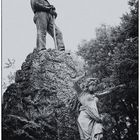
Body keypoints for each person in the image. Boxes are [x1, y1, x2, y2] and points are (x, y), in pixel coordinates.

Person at [72, 74, 124, 140]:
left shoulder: (95, 95)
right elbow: (74, 82)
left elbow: (107, 91)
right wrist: (82, 75)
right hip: (85, 117)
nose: (94, 87)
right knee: (88, 138)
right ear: (88, 86)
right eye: (92, 85)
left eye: (95, 85)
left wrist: (118, 87)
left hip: (95, 118)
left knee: (98, 134)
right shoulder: (81, 94)